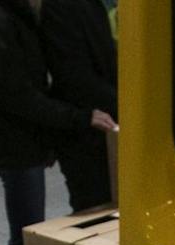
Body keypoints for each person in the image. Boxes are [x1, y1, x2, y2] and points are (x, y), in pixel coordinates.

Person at [0, 0, 116, 245]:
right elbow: (19, 97)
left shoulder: (13, 15)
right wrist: (78, 117)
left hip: (29, 140)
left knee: (27, 233)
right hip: (16, 146)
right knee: (25, 237)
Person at [40, 0, 118, 211]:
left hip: (103, 121)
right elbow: (75, 78)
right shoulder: (60, 8)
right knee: (96, 211)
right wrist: (127, 106)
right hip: (85, 132)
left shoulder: (93, 5)